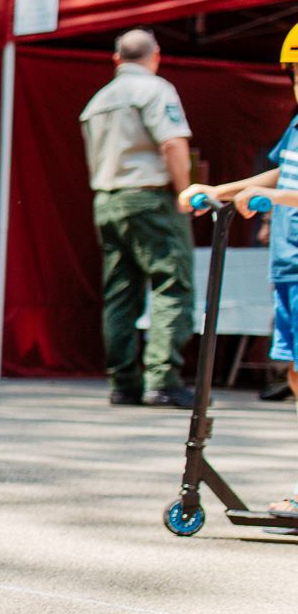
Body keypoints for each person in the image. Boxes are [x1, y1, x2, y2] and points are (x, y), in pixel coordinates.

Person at [179, 57, 298, 507]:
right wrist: (224, 190)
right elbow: (279, 174)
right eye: (297, 74)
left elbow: (280, 189)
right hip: (287, 264)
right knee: (294, 372)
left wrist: (273, 197)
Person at [81, 28, 195, 407]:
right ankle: (162, 378)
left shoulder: (97, 101)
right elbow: (173, 141)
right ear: (156, 54)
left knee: (120, 293)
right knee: (170, 283)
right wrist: (184, 192)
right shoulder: (156, 89)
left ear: (116, 59)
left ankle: (123, 382)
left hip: (107, 198)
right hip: (149, 197)